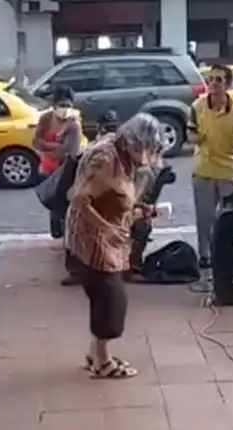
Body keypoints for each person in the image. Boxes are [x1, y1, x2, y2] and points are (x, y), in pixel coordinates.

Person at [66, 113, 164, 379]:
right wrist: (106, 228)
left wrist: (142, 212)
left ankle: (96, 353)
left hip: (110, 238)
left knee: (105, 296)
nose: (148, 156)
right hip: (93, 238)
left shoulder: (126, 158)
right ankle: (102, 361)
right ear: (133, 142)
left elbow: (120, 199)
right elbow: (78, 199)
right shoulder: (106, 158)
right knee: (111, 297)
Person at [187, 64, 233, 292]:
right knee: (204, 217)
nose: (213, 84)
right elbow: (190, 131)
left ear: (228, 85)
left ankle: (230, 253)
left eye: (219, 80)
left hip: (228, 170)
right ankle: (205, 256)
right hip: (203, 169)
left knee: (231, 217)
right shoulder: (197, 107)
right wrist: (196, 138)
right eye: (211, 79)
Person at [33, 85, 83, 284]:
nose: (63, 108)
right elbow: (36, 141)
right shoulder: (46, 119)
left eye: (66, 105)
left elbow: (70, 150)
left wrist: (50, 148)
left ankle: (66, 240)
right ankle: (59, 236)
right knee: (52, 203)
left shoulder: (74, 123)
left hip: (66, 170)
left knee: (64, 207)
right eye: (59, 105)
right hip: (47, 168)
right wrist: (56, 147)